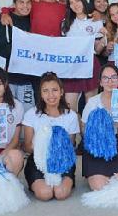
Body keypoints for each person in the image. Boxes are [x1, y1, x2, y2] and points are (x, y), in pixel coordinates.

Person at [22, 72, 79, 201]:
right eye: (45, 91)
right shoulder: (32, 114)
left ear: (61, 92)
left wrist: (56, 149)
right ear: (41, 94)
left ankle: (67, 180)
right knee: (45, 194)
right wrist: (43, 146)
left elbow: (70, 146)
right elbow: (27, 147)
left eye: (54, 90)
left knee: (61, 193)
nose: (51, 95)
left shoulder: (71, 116)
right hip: (38, 161)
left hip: (63, 161)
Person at [80, 64, 118, 190]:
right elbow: (84, 131)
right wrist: (99, 138)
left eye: (114, 77)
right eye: (105, 78)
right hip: (95, 149)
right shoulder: (93, 102)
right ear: (100, 82)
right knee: (100, 187)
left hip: (117, 146)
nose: (110, 81)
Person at [60, 0, 107, 120]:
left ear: (83, 1)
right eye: (71, 2)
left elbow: (97, 50)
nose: (75, 4)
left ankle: (89, 137)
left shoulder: (95, 21)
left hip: (90, 64)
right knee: (70, 105)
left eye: (78, 0)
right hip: (72, 67)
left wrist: (105, 39)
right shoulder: (66, 23)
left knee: (90, 105)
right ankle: (74, 138)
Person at [0, 0, 38, 111]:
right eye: (21, 2)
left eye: (28, 2)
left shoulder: (33, 19)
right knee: (9, 112)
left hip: (28, 78)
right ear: (14, 4)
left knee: (28, 112)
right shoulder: (5, 19)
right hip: (9, 76)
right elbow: (1, 47)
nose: (25, 6)